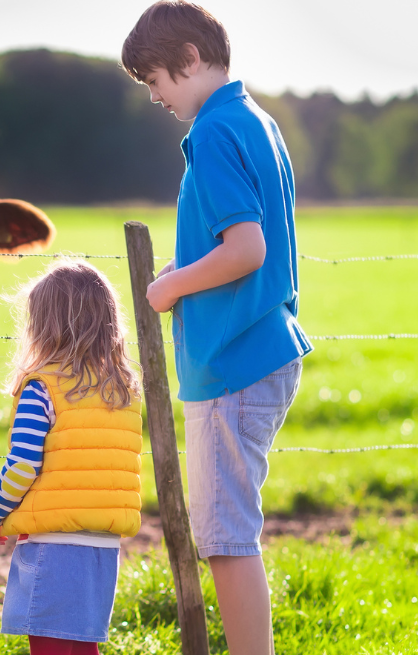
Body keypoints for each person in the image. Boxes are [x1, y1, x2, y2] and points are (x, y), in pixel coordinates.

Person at [121, 3, 312, 654]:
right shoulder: (253, 119)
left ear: (190, 59)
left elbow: (246, 249)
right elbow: (234, 239)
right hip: (260, 344)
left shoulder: (211, 132)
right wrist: (183, 265)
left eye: (155, 81)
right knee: (228, 532)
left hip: (233, 356)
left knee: (226, 539)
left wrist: (169, 285)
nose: (152, 97)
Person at [0, 259, 143, 655]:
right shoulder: (121, 392)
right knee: (84, 648)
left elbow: (23, 464)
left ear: (41, 327)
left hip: (53, 547)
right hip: (103, 548)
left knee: (50, 648)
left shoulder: (43, 388)